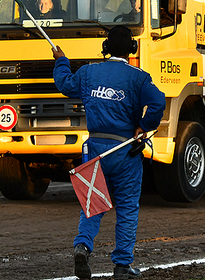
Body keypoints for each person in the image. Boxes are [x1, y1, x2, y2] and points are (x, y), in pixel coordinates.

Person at [52, 25, 166, 280]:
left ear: (104, 48)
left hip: (94, 149)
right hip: (125, 150)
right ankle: (122, 267)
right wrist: (145, 126)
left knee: (92, 205)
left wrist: (61, 61)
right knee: (126, 207)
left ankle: (82, 245)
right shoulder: (139, 77)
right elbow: (158, 102)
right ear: (132, 49)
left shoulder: (88, 72)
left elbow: (64, 84)